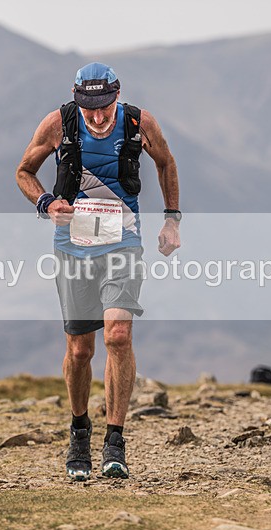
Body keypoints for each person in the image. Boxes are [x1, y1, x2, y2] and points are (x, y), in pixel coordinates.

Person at [15, 62, 181, 480]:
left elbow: (166, 163)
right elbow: (24, 172)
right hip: (73, 247)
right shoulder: (58, 124)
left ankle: (115, 441)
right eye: (89, 108)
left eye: (105, 106)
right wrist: (46, 203)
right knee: (80, 350)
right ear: (77, 101)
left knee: (118, 335)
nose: (98, 116)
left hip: (123, 243)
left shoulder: (141, 123)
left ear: (117, 96)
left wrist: (172, 219)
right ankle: (79, 431)